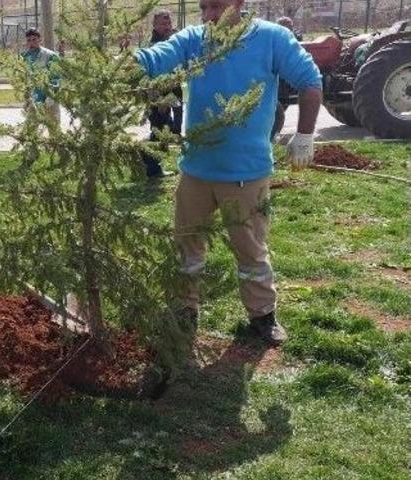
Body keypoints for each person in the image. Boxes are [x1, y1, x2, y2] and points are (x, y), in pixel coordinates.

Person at [133, 0, 323, 343]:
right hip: (196, 170)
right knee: (186, 246)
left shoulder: (272, 38)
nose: (208, 16)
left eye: (216, 7)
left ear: (239, 3)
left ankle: (262, 315)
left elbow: (310, 82)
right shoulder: (195, 38)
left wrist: (305, 135)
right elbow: (158, 57)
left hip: (246, 172)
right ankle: (184, 309)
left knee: (250, 248)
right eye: (203, 7)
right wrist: (124, 64)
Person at [143, 9, 184, 178]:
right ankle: (152, 166)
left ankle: (148, 160)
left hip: (173, 93)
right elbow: (152, 76)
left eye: (169, 23)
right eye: (163, 24)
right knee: (160, 131)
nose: (167, 26)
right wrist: (159, 100)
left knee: (166, 129)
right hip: (160, 98)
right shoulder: (155, 46)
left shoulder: (171, 42)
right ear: (155, 25)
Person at [271, 16, 304, 140]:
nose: (288, 28)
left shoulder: (294, 37)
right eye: (285, 25)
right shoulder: (275, 37)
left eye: (289, 25)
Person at [21, 27, 61, 127]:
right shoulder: (26, 57)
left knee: (54, 128)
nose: (31, 42)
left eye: (34, 39)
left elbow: (56, 77)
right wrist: (26, 98)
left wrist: (51, 95)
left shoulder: (50, 56)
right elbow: (25, 78)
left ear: (40, 39)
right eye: (28, 40)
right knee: (31, 128)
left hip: (49, 98)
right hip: (34, 98)